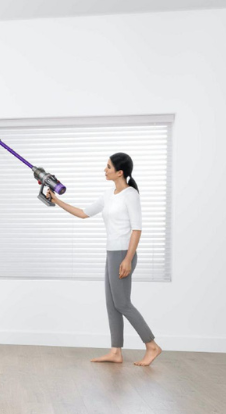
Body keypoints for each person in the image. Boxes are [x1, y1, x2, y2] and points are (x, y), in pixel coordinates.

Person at [48, 153, 162, 366]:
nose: (105, 169)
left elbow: (137, 229)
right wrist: (56, 200)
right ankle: (116, 351)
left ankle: (152, 346)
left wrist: (128, 259)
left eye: (108, 166)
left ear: (120, 172)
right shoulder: (109, 194)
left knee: (123, 303)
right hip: (111, 254)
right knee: (112, 305)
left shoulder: (131, 194)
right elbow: (83, 213)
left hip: (123, 254)